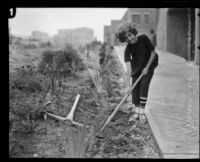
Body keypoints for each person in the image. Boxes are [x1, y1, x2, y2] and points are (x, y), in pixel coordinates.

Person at [115, 23, 159, 125]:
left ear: (133, 32)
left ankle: (142, 112)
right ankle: (137, 111)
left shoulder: (143, 38)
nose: (130, 39)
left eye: (130, 35)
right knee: (135, 91)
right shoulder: (128, 49)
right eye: (126, 39)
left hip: (149, 66)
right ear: (124, 40)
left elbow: (153, 53)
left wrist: (147, 68)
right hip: (137, 69)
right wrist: (128, 86)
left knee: (143, 86)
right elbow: (128, 68)